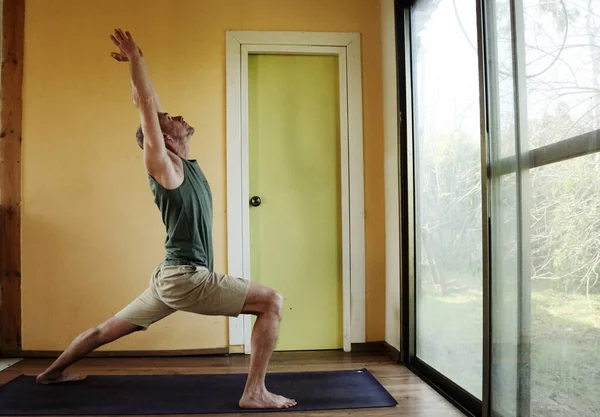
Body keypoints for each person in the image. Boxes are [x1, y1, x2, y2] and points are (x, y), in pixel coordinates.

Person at [36, 29, 296, 410]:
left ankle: (51, 372)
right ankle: (254, 393)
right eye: (166, 121)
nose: (174, 116)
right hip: (187, 278)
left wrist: (141, 60)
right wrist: (135, 61)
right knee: (271, 301)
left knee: (103, 330)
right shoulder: (165, 168)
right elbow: (145, 106)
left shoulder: (185, 165)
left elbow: (151, 103)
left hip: (169, 277)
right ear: (161, 138)